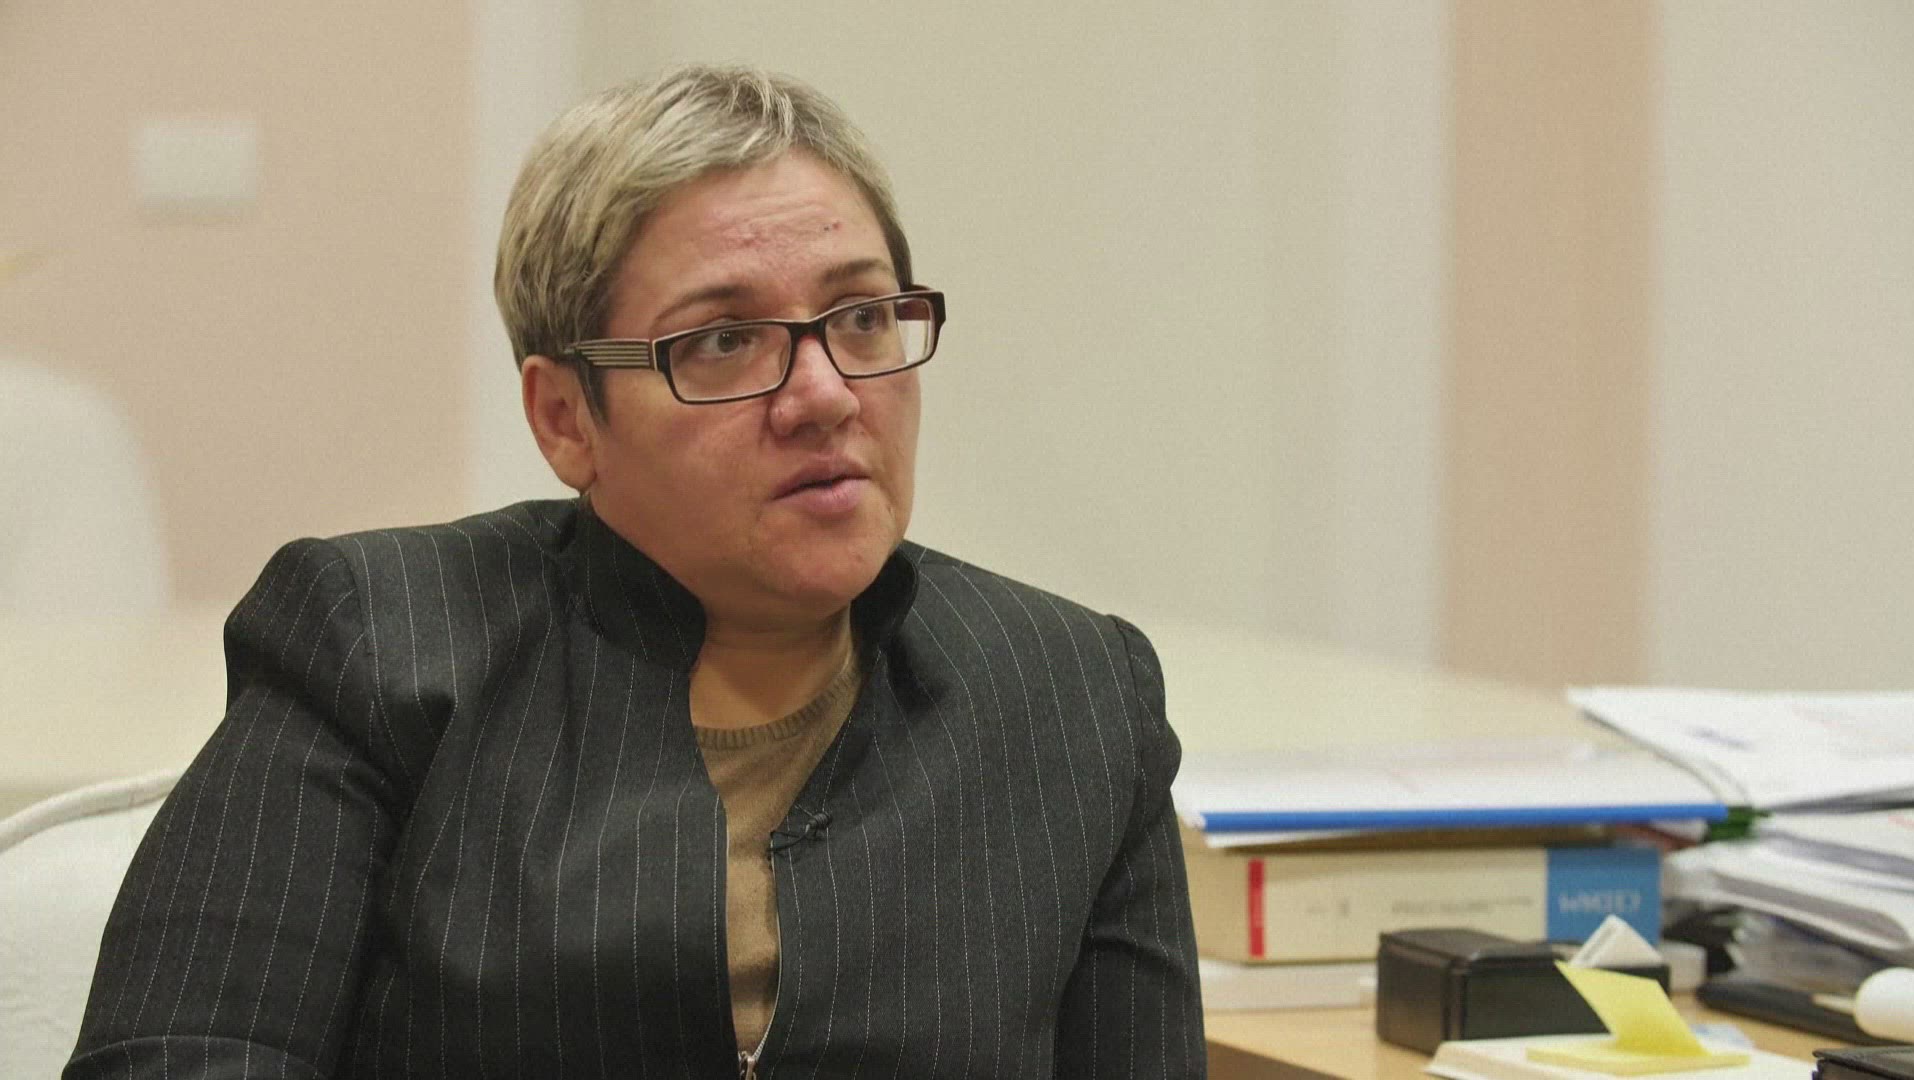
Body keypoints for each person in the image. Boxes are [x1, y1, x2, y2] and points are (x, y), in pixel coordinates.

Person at [66, 64, 1202, 1078]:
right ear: (567, 418)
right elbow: (180, 1055)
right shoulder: (380, 642)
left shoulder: (1075, 697)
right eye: (724, 340)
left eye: (862, 317)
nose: (824, 395)